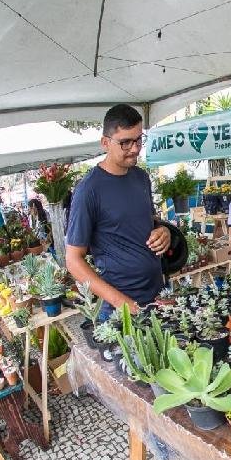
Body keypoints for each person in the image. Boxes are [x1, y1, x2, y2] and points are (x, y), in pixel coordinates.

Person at [65, 104, 171, 318]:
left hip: (157, 295)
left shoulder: (141, 178)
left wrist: (164, 231)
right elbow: (73, 261)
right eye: (125, 142)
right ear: (105, 142)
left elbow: (147, 221)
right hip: (120, 309)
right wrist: (121, 303)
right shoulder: (88, 189)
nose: (135, 148)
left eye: (139, 139)